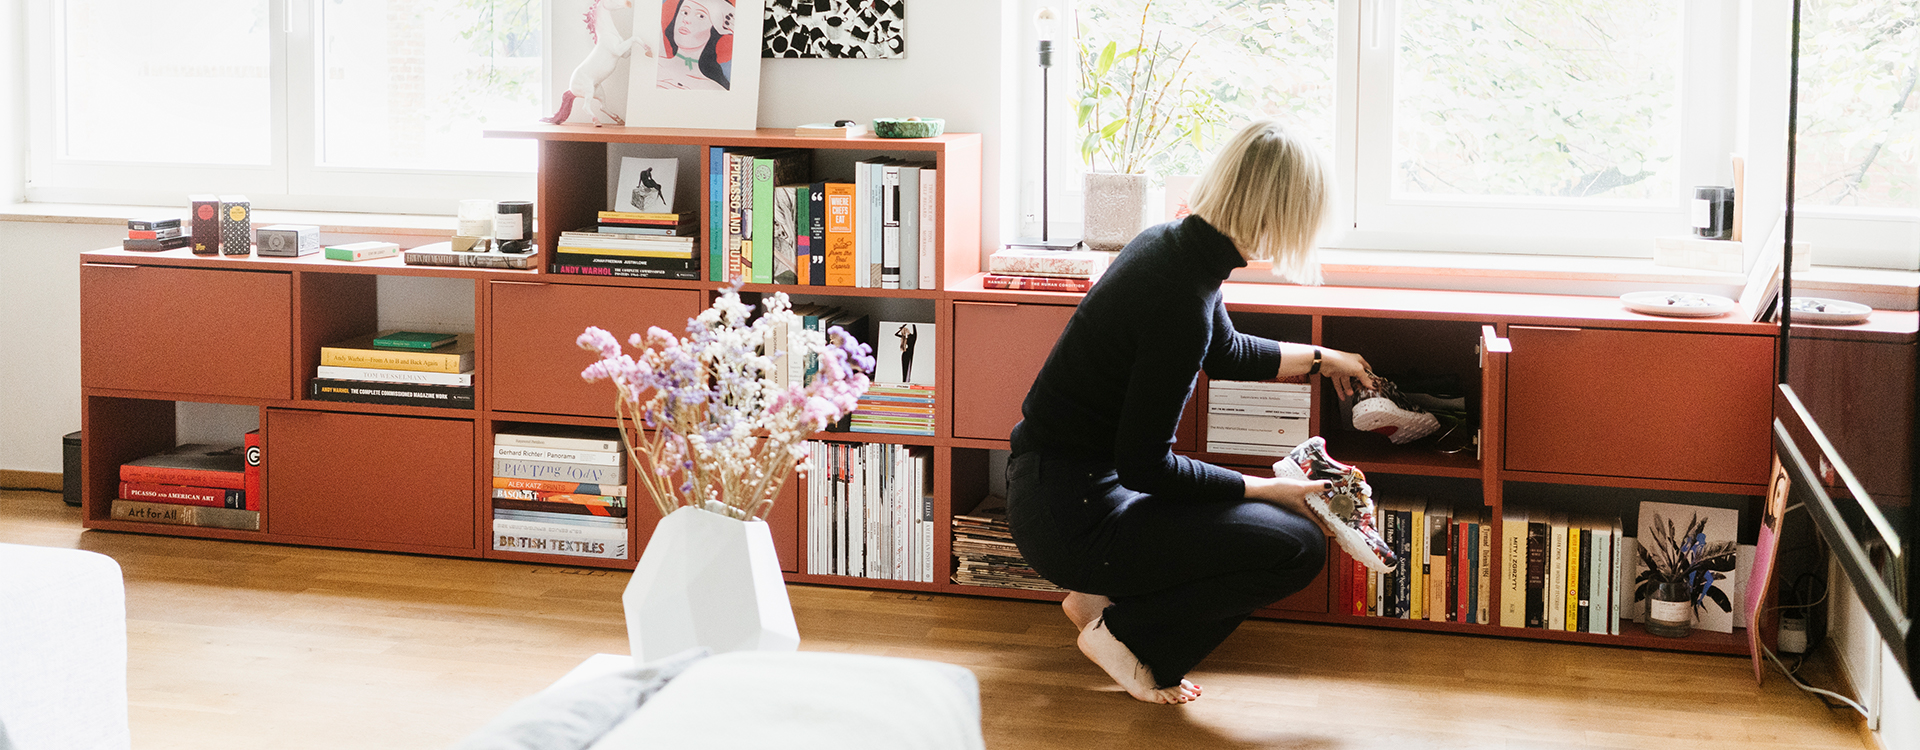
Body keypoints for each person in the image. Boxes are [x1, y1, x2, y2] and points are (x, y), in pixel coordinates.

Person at [1007, 120, 1394, 705]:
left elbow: (1227, 350)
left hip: (1058, 490)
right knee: (1297, 546)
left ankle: (1096, 601)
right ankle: (1126, 638)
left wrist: (1326, 359)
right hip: (1073, 516)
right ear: (1277, 213)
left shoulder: (1171, 245)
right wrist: (1271, 490)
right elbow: (1147, 468)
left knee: (1286, 531)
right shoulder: (1180, 299)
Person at [656, 0, 733, 91]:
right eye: (685, 12)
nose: (686, 20)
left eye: (701, 16)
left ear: (714, 29)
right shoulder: (653, 66)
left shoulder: (715, 89)